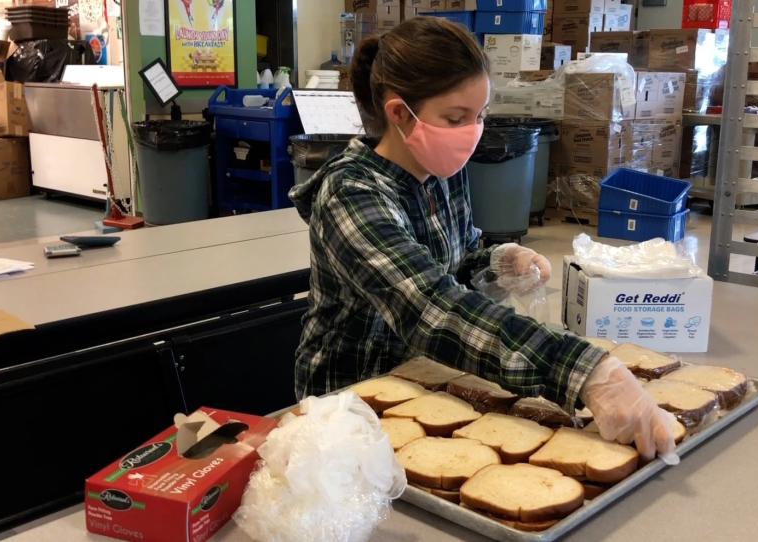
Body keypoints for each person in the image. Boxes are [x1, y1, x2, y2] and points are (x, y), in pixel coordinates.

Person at [289, 17, 677, 463]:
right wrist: (582, 371)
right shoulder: (351, 194)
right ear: (399, 113)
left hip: (425, 377)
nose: (471, 132)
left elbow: (454, 262)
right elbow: (431, 308)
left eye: (478, 116)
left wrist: (496, 261)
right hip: (350, 400)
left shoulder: (439, 173)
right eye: (455, 118)